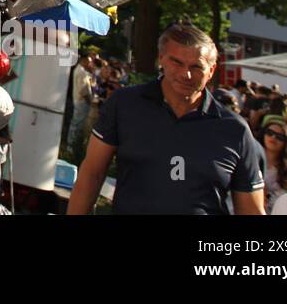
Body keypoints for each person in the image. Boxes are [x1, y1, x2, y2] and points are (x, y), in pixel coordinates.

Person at [68, 23, 264, 215]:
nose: (186, 74)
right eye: (177, 62)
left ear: (211, 71)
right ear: (161, 59)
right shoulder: (125, 104)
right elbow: (91, 176)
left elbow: (251, 210)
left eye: (196, 66)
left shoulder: (234, 130)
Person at [259, 114, 287, 212]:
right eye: (270, 133)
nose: (273, 137)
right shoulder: (251, 160)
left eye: (279, 137)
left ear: (286, 143)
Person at [67, 51, 96, 162]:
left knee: (76, 123)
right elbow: (84, 90)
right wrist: (90, 101)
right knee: (77, 123)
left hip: (78, 100)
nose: (89, 64)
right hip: (81, 101)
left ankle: (71, 144)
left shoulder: (79, 70)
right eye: (88, 62)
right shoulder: (82, 72)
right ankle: (71, 146)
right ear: (83, 60)